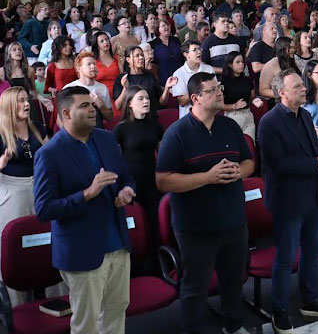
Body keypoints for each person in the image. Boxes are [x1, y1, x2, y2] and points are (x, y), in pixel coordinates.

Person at [156, 72, 253, 334]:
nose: (220, 93)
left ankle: (233, 326)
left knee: (233, 282)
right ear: (196, 98)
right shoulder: (177, 133)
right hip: (196, 227)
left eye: (219, 87)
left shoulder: (230, 126)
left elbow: (249, 162)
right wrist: (207, 177)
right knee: (195, 287)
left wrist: (238, 172)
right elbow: (163, 181)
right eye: (212, 90)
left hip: (233, 220)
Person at [34, 87, 135, 334]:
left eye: (92, 104)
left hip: (118, 244)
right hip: (82, 251)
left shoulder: (106, 138)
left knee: (116, 311)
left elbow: (126, 176)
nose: (92, 110)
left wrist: (127, 191)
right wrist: (87, 194)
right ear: (66, 113)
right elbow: (44, 209)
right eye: (84, 106)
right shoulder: (49, 154)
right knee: (87, 323)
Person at [258, 69, 318, 333]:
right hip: (288, 200)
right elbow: (279, 164)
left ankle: (310, 299)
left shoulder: (305, 115)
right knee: (285, 258)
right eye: (297, 86)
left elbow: (314, 151)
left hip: (313, 196)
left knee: (311, 252)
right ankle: (279, 310)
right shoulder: (269, 122)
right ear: (281, 93)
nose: (303, 89)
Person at [0, 87, 46, 305]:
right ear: (9, 106)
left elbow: (52, 155)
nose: (26, 104)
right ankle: (16, 309)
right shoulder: (0, 134)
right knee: (14, 249)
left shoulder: (37, 128)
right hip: (11, 191)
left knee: (49, 241)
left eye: (26, 100)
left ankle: (60, 302)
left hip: (39, 187)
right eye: (20, 101)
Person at [114, 86, 162, 245]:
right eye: (141, 98)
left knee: (155, 223)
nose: (146, 101)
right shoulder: (121, 128)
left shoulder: (155, 125)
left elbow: (162, 154)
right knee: (137, 226)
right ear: (129, 103)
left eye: (147, 98)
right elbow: (113, 158)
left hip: (153, 180)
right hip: (131, 182)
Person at [113, 46, 177, 117]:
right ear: (128, 59)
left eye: (142, 55)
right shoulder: (122, 78)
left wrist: (166, 89)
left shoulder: (149, 76)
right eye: (137, 56)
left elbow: (161, 102)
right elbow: (118, 106)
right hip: (131, 119)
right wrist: (125, 89)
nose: (141, 58)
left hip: (151, 118)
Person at [63, 51, 113, 127]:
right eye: (88, 64)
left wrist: (100, 104)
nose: (93, 66)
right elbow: (61, 119)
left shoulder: (102, 88)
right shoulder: (69, 88)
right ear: (79, 69)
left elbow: (110, 117)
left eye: (94, 64)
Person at [221, 51, 263, 141]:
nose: (241, 64)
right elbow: (219, 105)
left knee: (250, 146)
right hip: (232, 115)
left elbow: (252, 97)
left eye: (242, 62)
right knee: (234, 146)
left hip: (248, 115)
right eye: (237, 62)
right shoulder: (223, 81)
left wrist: (254, 101)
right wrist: (234, 106)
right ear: (230, 64)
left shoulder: (247, 80)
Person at [171, 40, 215, 119]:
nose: (199, 52)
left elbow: (215, 92)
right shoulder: (179, 74)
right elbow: (182, 102)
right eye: (195, 50)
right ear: (186, 54)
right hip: (189, 118)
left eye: (199, 49)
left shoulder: (209, 69)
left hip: (208, 116)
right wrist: (198, 88)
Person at [150, 19, 183, 86]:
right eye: (163, 25)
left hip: (180, 76)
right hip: (163, 78)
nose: (166, 27)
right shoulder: (153, 44)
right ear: (158, 29)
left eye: (167, 25)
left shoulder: (175, 40)